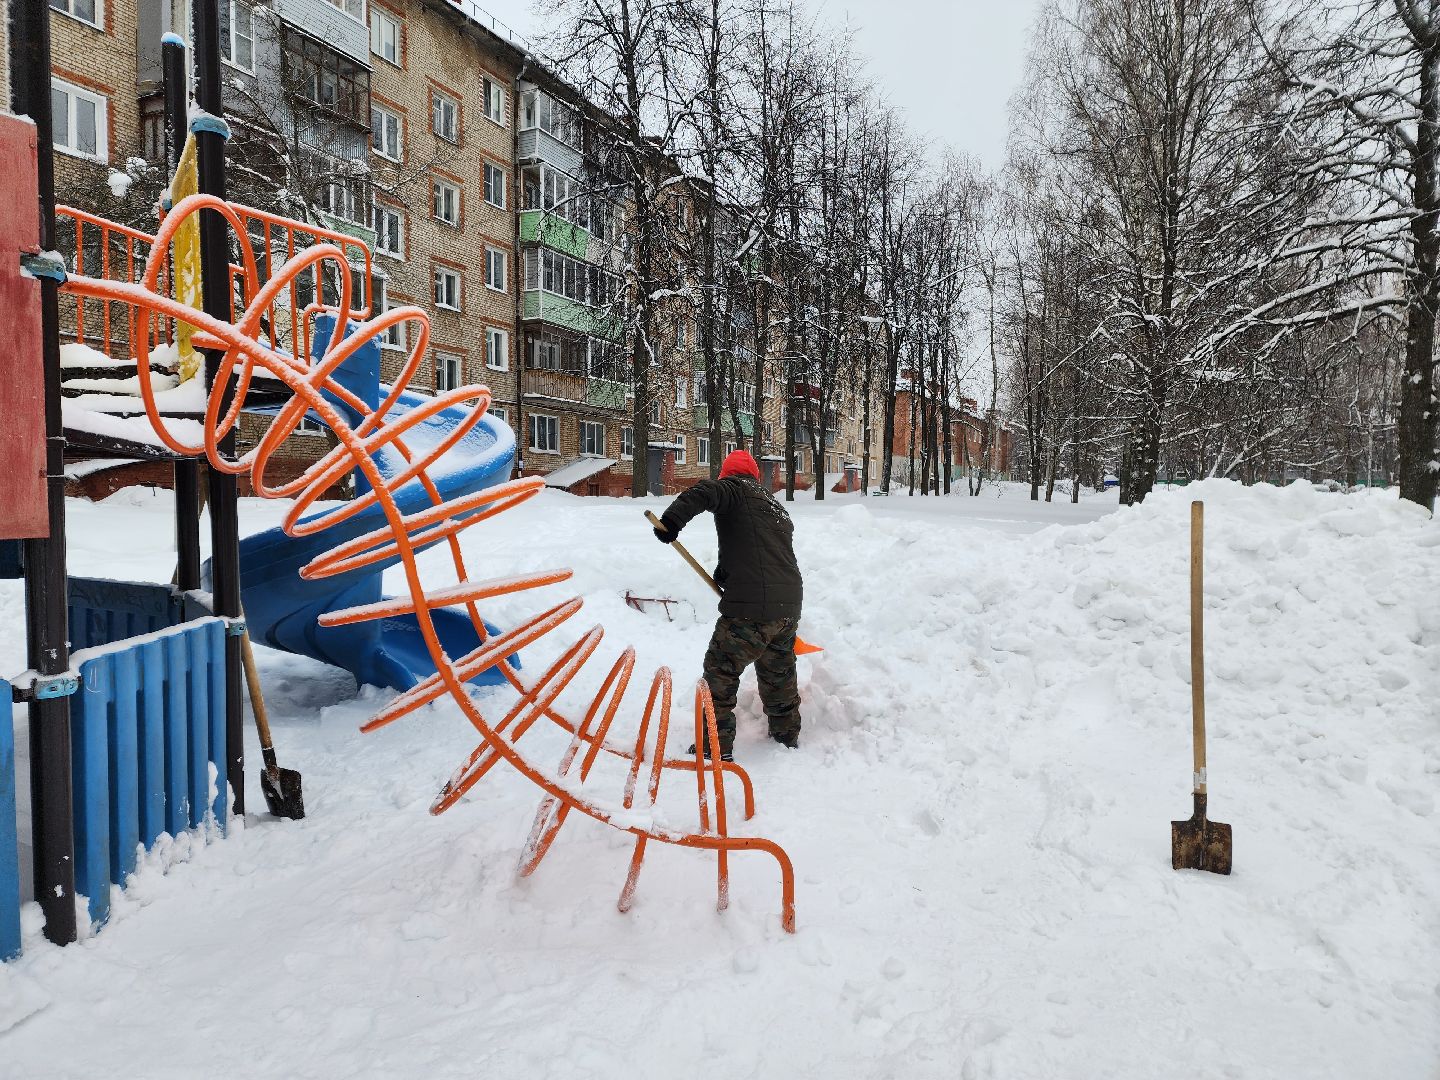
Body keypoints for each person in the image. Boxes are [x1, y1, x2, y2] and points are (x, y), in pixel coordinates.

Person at [653, 449, 803, 761]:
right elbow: (756, 549)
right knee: (779, 675)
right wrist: (724, 574)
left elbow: (702, 491)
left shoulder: (733, 489)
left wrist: (671, 522)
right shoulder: (775, 507)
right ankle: (786, 735)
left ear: (728, 474)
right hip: (788, 606)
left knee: (721, 671)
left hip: (752, 608)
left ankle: (714, 746)